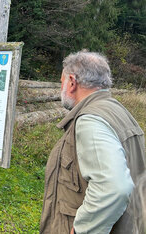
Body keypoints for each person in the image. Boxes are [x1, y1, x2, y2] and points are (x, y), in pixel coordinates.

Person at [39, 50, 146, 234]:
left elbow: (114, 187)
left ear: (72, 82)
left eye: (61, 81)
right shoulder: (117, 111)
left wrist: (83, 229)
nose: (61, 88)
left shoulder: (91, 120)